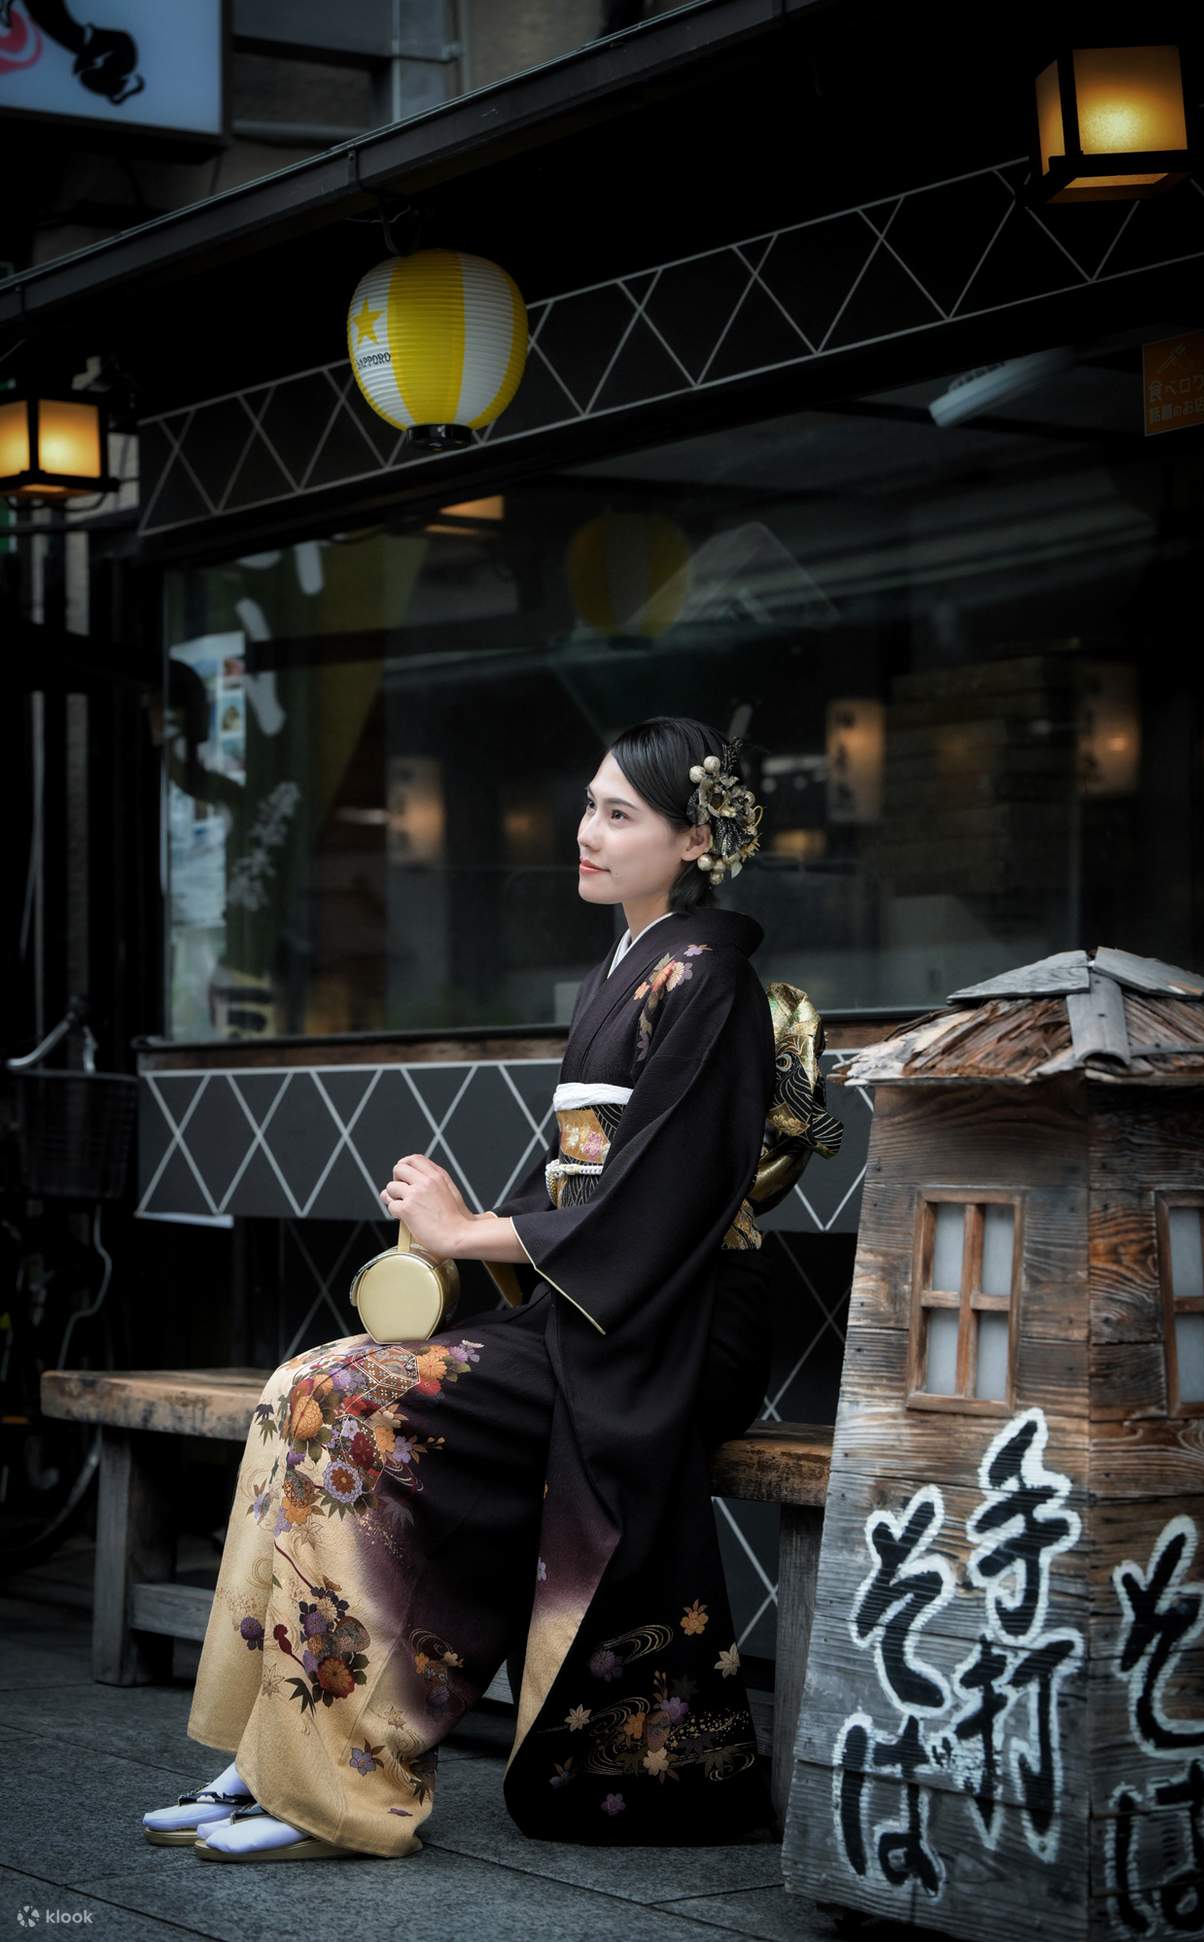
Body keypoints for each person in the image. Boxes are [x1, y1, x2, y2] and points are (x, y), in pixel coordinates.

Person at [142, 716, 806, 1862]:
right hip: (594, 1307)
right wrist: (457, 1231)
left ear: (695, 838)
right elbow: (586, 1185)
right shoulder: (626, 969)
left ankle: (332, 1779)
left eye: (619, 814)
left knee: (346, 1396)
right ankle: (275, 1750)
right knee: (303, 1385)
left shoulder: (711, 979)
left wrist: (467, 1227)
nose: (586, 831)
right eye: (588, 803)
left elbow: (656, 1202)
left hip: (670, 1325)